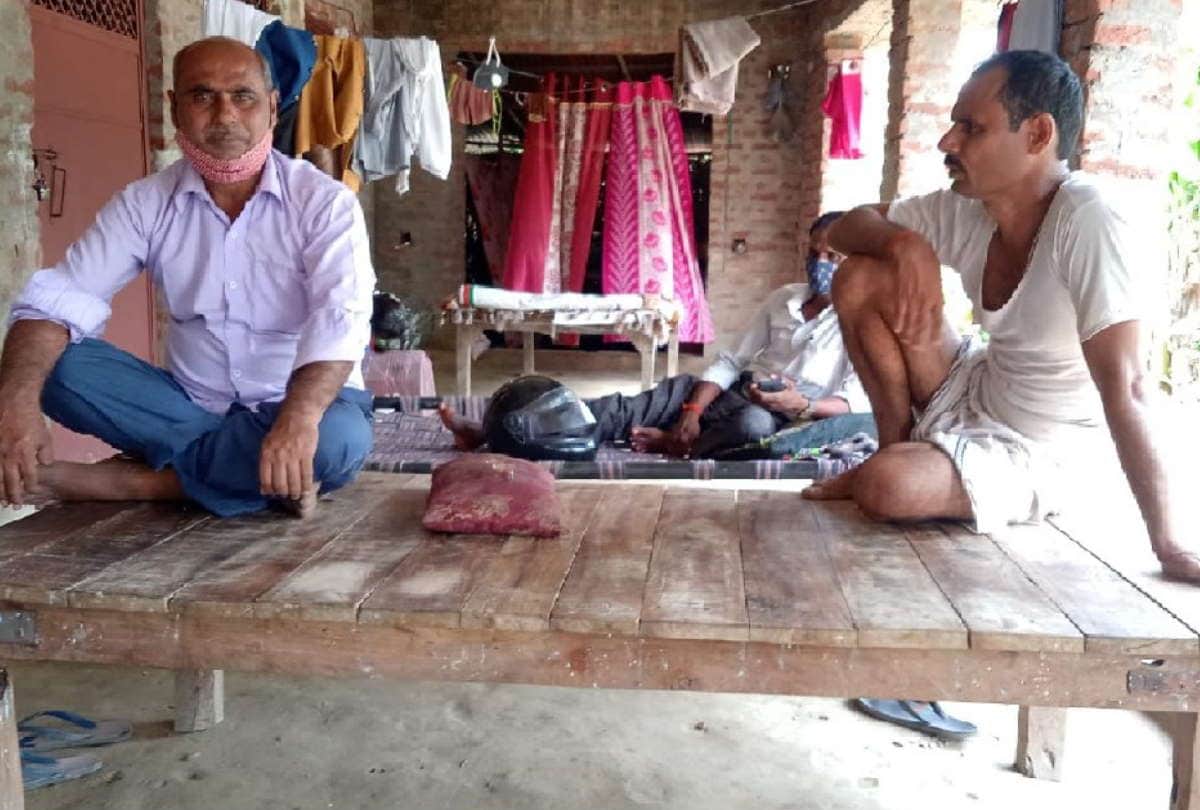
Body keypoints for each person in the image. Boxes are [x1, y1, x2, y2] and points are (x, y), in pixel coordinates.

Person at [802, 50, 1200, 582]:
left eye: (971, 128)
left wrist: (1169, 543)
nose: (948, 142)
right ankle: (894, 447)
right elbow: (846, 228)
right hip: (976, 386)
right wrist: (904, 246)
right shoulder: (969, 209)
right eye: (952, 125)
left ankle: (891, 468)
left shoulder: (1087, 218)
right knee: (860, 276)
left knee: (889, 488)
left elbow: (1128, 385)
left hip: (1043, 450)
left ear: (1037, 134)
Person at [0, 37, 376, 519]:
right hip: (186, 409)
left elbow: (340, 318)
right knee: (51, 365)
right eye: (202, 96)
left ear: (272, 106)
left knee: (337, 442)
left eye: (243, 96)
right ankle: (253, 478)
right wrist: (14, 403)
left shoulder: (324, 204)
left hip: (303, 403)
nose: (224, 115)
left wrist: (299, 419)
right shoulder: (146, 203)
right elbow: (57, 300)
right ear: (174, 109)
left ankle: (138, 483)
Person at [440, 212, 873, 458]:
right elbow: (730, 362)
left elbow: (853, 401)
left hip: (789, 414)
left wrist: (803, 404)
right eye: (813, 252)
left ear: (856, 262)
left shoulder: (864, 320)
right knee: (623, 406)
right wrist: (691, 407)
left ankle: (679, 445)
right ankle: (493, 434)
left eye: (832, 255)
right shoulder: (785, 298)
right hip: (735, 391)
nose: (820, 262)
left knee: (752, 426)